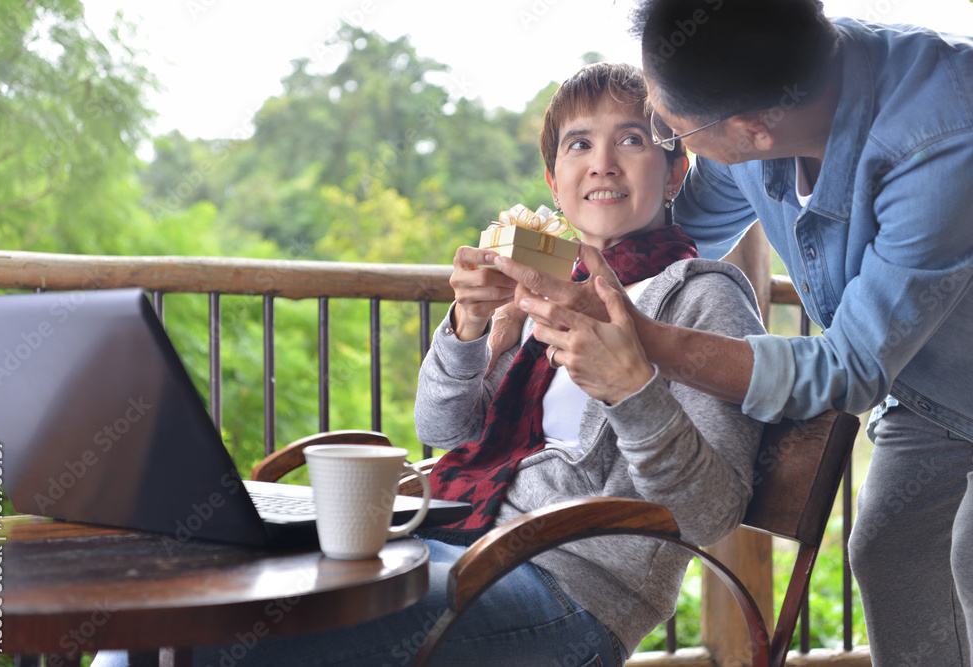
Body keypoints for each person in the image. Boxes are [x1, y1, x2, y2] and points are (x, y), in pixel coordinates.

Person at [91, 63, 764, 667]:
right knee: (168, 604)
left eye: (633, 139)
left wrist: (632, 389)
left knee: (212, 639)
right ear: (556, 183)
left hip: (571, 594)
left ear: (676, 171)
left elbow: (707, 514)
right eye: (578, 144)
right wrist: (470, 330)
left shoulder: (703, 298)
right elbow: (442, 426)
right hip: (456, 542)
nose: (603, 163)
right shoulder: (549, 285)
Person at [494, 2, 973, 664]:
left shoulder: (941, 141)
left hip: (927, 362)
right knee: (888, 545)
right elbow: (669, 236)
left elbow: (849, 369)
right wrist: (561, 264)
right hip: (927, 384)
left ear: (753, 131)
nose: (665, 137)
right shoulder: (750, 111)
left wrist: (642, 338)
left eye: (670, 129)